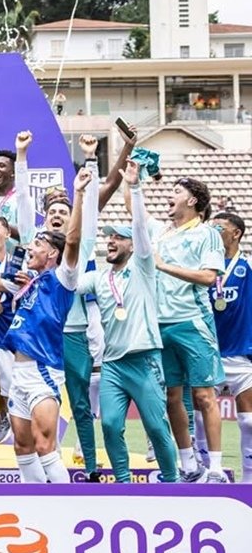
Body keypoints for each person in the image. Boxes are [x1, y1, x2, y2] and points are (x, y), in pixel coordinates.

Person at [0, 165, 95, 482]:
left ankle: (64, 502)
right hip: (17, 371)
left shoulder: (63, 278)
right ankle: (31, 500)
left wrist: (78, 193)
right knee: (22, 446)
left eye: (37, 244)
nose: (30, 248)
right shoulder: (31, 282)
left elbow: (73, 240)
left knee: (45, 446)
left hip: (42, 370)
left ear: (52, 253)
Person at [76, 161, 177, 483]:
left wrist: (134, 187)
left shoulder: (143, 268)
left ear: (132, 244)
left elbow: (142, 234)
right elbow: (68, 282)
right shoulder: (98, 277)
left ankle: (172, 482)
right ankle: (122, 482)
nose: (111, 241)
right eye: (109, 237)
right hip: (113, 365)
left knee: (157, 427)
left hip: (145, 361)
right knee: (109, 425)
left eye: (118, 237)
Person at [149, 176, 226, 482]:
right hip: (160, 324)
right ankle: (190, 466)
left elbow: (209, 277)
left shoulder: (206, 234)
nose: (170, 195)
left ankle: (216, 467)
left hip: (192, 321)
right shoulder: (162, 233)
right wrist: (134, 179)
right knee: (172, 396)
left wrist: (163, 265)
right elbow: (132, 204)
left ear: (192, 200)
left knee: (204, 396)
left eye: (176, 191)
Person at [210, 211, 252, 483]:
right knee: (201, 417)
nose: (214, 233)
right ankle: (207, 472)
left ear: (236, 233)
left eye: (220, 228)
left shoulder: (247, 265)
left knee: (249, 421)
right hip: (208, 354)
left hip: (241, 354)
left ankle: (249, 479)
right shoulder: (204, 266)